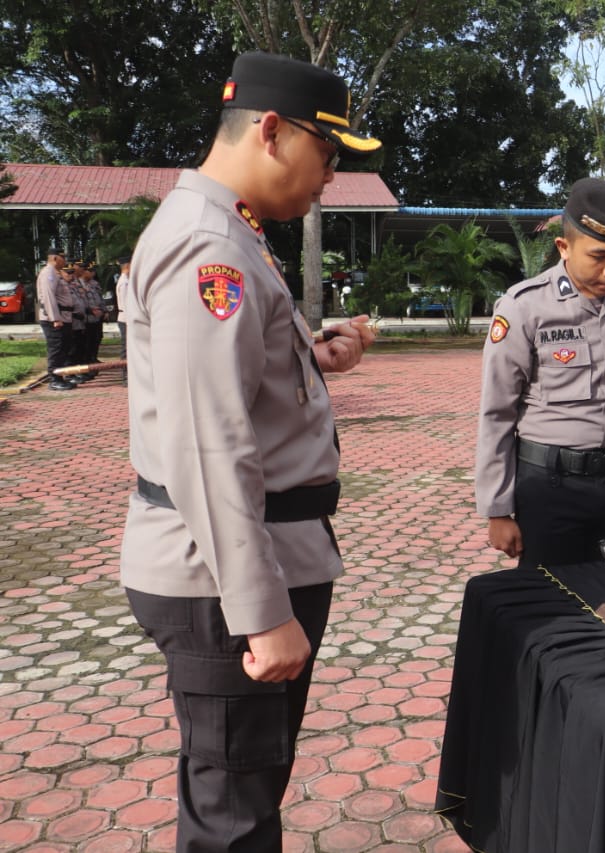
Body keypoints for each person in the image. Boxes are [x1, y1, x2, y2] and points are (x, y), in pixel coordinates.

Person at [118, 50, 380, 852]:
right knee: (233, 817)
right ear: (270, 131)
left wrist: (313, 351)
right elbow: (208, 442)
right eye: (327, 154)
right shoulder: (212, 248)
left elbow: (237, 375)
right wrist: (262, 614)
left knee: (243, 791)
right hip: (227, 576)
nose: (330, 176)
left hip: (249, 559)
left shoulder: (233, 230)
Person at [475, 177, 605, 570]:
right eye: (598, 256)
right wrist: (497, 508)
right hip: (548, 486)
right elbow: (497, 412)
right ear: (564, 247)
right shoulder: (524, 307)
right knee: (550, 605)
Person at [35, 249, 77, 391]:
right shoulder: (48, 273)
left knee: (63, 349)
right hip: (53, 319)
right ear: (54, 258)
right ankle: (54, 380)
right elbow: (48, 297)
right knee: (56, 349)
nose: (64, 261)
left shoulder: (55, 273)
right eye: (62, 258)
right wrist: (55, 318)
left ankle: (60, 377)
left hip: (61, 317)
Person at [116, 253, 131, 385]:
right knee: (126, 348)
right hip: (126, 318)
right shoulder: (124, 282)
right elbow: (127, 304)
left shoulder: (126, 280)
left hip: (126, 317)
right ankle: (126, 376)